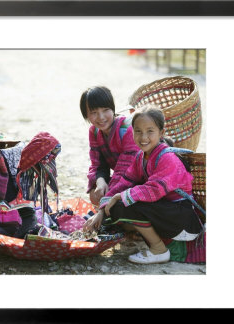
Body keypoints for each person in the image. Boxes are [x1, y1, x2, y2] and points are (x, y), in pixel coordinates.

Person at [83, 105, 202, 264]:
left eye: (150, 131)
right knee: (116, 208)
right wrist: (102, 210)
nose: (143, 137)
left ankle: (159, 250)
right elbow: (124, 182)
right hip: (166, 214)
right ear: (132, 132)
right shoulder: (141, 157)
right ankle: (148, 238)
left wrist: (121, 196)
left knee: (124, 204)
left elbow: (155, 189)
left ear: (161, 133)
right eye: (138, 131)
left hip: (182, 219)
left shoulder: (168, 158)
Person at [80, 86, 140, 207]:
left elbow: (125, 169)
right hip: (121, 179)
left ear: (113, 109)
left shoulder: (127, 129)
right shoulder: (94, 132)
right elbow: (97, 164)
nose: (101, 117)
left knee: (113, 202)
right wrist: (100, 181)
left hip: (140, 179)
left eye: (105, 110)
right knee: (95, 195)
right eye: (94, 113)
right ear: (86, 115)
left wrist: (109, 196)